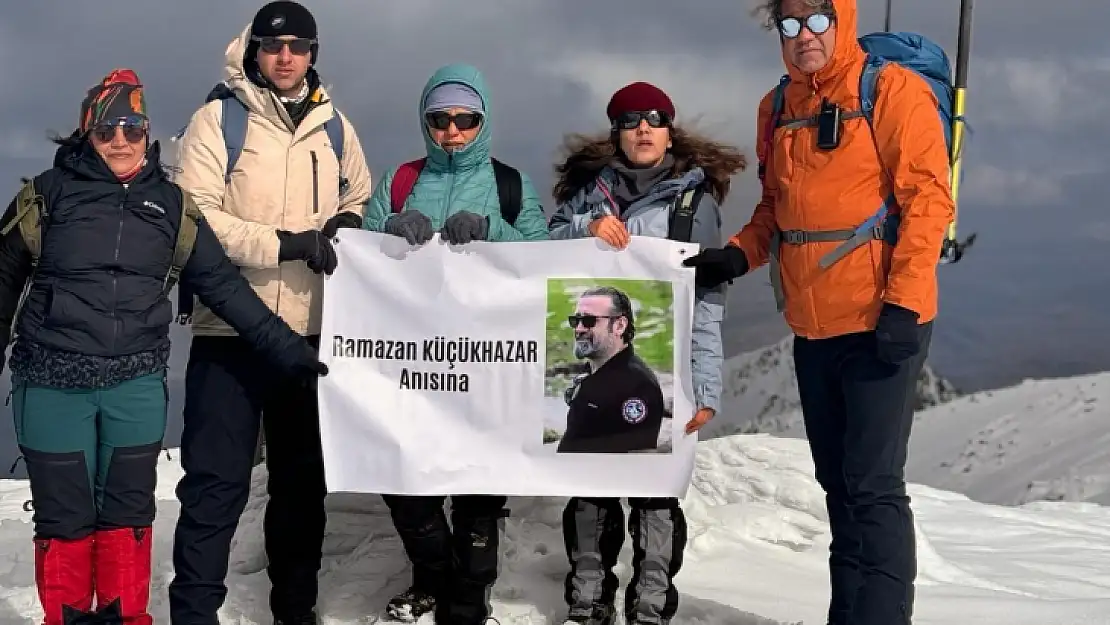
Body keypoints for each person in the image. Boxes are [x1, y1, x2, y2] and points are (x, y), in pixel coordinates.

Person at [0, 68, 327, 625]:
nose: (120, 141)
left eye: (132, 127)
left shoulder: (173, 207)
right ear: (86, 134)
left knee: (129, 515)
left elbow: (223, 286)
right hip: (52, 385)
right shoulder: (43, 198)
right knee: (64, 518)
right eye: (106, 131)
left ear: (147, 132)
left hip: (135, 388)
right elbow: (3, 283)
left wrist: (287, 348)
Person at [681, 0, 956, 623]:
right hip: (812, 327)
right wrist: (736, 257)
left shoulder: (892, 90)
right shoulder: (777, 108)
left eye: (816, 21)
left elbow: (927, 202)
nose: (803, 36)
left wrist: (906, 305)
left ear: (843, 21)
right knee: (839, 487)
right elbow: (775, 211)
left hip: (883, 318)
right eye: (790, 24)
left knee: (875, 487)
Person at [167, 2, 372, 624]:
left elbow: (358, 192)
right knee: (214, 487)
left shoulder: (334, 125)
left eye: (299, 46)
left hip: (309, 334)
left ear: (313, 54)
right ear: (253, 49)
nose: (286, 57)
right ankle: (195, 614)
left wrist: (347, 224)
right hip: (230, 332)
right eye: (274, 45)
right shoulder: (217, 121)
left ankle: (295, 611)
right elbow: (194, 214)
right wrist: (285, 242)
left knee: (300, 489)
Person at [547, 81, 746, 624]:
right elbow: (544, 246)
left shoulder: (693, 202)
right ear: (617, 132)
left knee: (655, 495)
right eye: (631, 119)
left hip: (662, 371)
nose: (643, 128)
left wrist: (704, 386)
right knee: (591, 491)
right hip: (592, 370)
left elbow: (705, 300)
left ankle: (650, 607)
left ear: (668, 130)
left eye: (654, 119)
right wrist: (585, 228)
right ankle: (587, 603)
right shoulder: (590, 193)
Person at [361, 62, 548, 624]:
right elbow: (358, 260)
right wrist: (388, 233)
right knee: (406, 484)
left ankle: (467, 600)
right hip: (410, 366)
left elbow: (543, 259)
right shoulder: (398, 180)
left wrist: (494, 230)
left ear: (483, 121)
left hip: (486, 365)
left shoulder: (511, 184)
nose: (452, 131)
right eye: (439, 119)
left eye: (466, 119)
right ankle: (435, 579)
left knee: (478, 491)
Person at [557, 287, 666, 454]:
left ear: (619, 326)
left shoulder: (638, 386)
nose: (578, 329)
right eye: (575, 320)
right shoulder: (593, 371)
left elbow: (640, 458)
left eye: (588, 321)